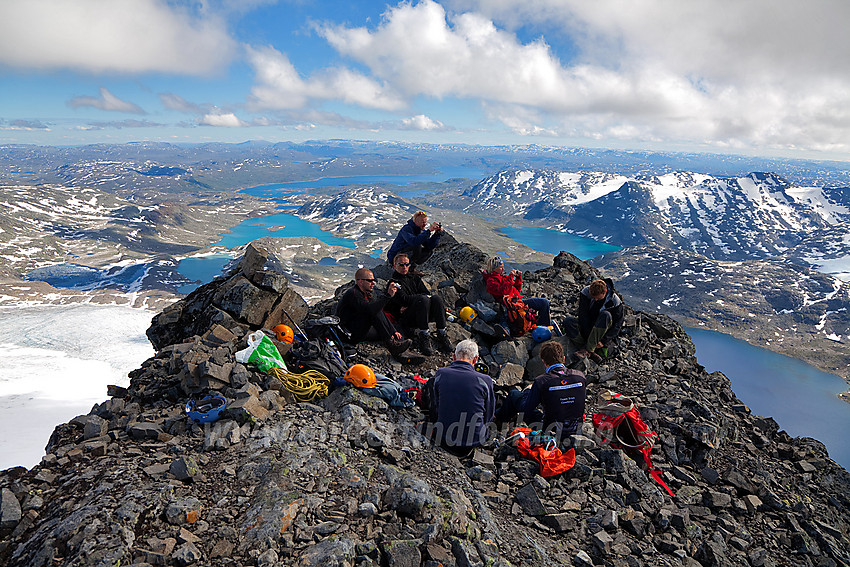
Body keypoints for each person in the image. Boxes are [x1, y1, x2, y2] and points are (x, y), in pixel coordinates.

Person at [495, 341, 586, 442]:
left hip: (550, 431)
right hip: (575, 430)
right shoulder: (580, 376)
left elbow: (526, 409)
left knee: (514, 395)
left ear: (543, 361)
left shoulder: (542, 381)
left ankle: (497, 422)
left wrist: (528, 391)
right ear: (563, 358)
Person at [423, 339, 495, 457]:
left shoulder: (441, 373)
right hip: (475, 440)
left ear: (453, 357)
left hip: (444, 437)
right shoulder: (485, 380)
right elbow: (489, 415)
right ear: (475, 359)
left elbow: (436, 404)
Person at [386, 252, 452, 355]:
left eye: (407, 264)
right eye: (401, 265)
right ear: (395, 266)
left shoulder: (415, 278)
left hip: (422, 311)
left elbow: (426, 293)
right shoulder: (393, 283)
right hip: (407, 318)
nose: (404, 267)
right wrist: (419, 299)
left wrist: (416, 300)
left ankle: (442, 332)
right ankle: (424, 335)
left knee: (436, 298)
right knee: (423, 299)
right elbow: (403, 299)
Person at [336, 267, 411, 357]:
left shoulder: (366, 293)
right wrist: (388, 296)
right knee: (374, 312)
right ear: (360, 282)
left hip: (358, 327)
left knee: (394, 330)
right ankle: (393, 346)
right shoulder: (353, 294)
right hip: (348, 333)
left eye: (373, 280)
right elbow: (370, 311)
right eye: (370, 281)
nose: (373, 283)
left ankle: (400, 348)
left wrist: (393, 331)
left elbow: (376, 309)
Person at [482, 255, 551, 326]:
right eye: (501, 267)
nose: (503, 269)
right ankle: (544, 326)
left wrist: (518, 278)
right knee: (543, 303)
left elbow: (517, 289)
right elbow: (503, 291)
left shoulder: (503, 277)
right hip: (511, 305)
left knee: (544, 303)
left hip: (517, 301)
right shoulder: (491, 281)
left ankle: (542, 325)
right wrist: (510, 277)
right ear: (494, 269)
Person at [575, 278, 624, 360]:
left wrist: (604, 341)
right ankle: (590, 347)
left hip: (603, 330)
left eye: (598, 298)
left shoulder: (615, 302)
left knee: (605, 315)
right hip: (588, 327)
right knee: (568, 321)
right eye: (593, 298)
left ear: (604, 293)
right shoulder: (585, 293)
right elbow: (582, 315)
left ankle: (588, 350)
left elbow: (617, 325)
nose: (595, 300)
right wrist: (588, 335)